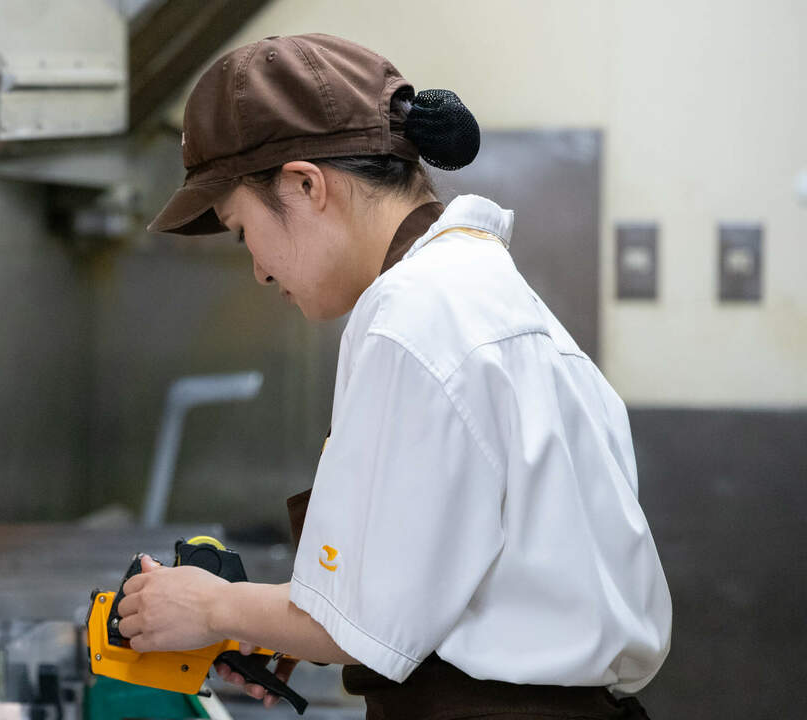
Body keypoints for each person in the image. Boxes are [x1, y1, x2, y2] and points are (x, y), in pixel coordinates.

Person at [114, 34, 671, 720]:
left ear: (304, 185)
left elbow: (363, 625)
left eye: (240, 229)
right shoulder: (476, 290)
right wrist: (271, 623)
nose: (257, 268)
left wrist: (207, 605)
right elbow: (434, 586)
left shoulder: (413, 316)